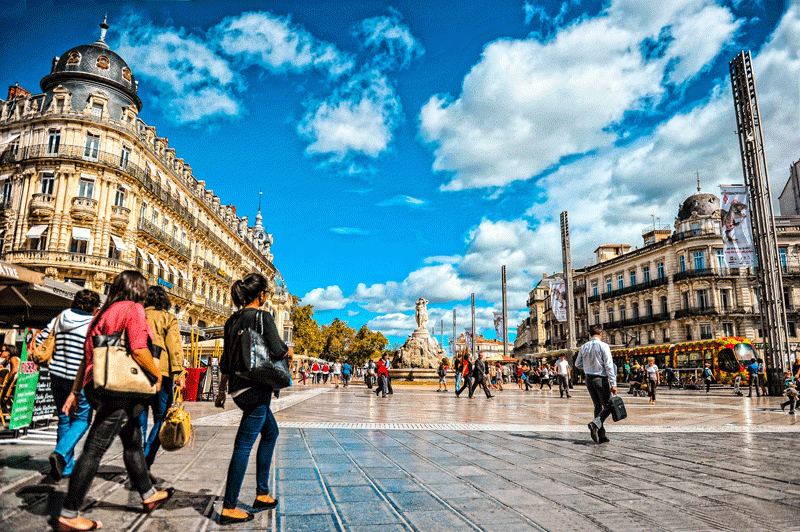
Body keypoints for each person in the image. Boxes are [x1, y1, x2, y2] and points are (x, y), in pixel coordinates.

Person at [57, 271, 171, 532]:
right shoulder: (133, 309)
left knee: (132, 443)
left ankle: (148, 493)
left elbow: (87, 358)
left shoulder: (101, 313)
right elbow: (140, 349)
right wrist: (157, 375)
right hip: (121, 389)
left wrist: (75, 391)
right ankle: (69, 513)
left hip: (98, 385)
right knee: (94, 449)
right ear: (137, 290)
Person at [215, 273, 290, 524]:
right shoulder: (262, 316)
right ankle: (229, 506)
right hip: (256, 388)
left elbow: (225, 360)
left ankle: (262, 493)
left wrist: (221, 390)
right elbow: (278, 350)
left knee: (271, 433)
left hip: (237, 389)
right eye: (266, 292)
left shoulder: (231, 320)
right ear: (261, 295)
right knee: (243, 446)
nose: (267, 297)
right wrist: (288, 350)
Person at [35, 289, 100, 482]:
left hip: (56, 374)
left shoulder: (60, 317)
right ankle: (61, 453)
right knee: (81, 420)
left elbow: (40, 339)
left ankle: (66, 467)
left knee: (64, 419)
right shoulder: (92, 324)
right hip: (79, 379)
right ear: (95, 307)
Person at [139, 286, 186, 471]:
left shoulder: (138, 316)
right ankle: (146, 457)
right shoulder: (168, 318)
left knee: (139, 416)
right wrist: (179, 373)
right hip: (162, 373)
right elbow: (174, 347)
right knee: (161, 418)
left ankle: (137, 456)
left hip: (139, 372)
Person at [575, 325, 617, 445]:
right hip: (601, 379)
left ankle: (601, 435)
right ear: (601, 334)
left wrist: (588, 368)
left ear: (590, 335)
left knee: (597, 406)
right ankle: (595, 424)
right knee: (609, 405)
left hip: (589, 379)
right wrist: (613, 384)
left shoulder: (584, 347)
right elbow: (609, 366)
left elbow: (578, 364)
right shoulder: (603, 346)